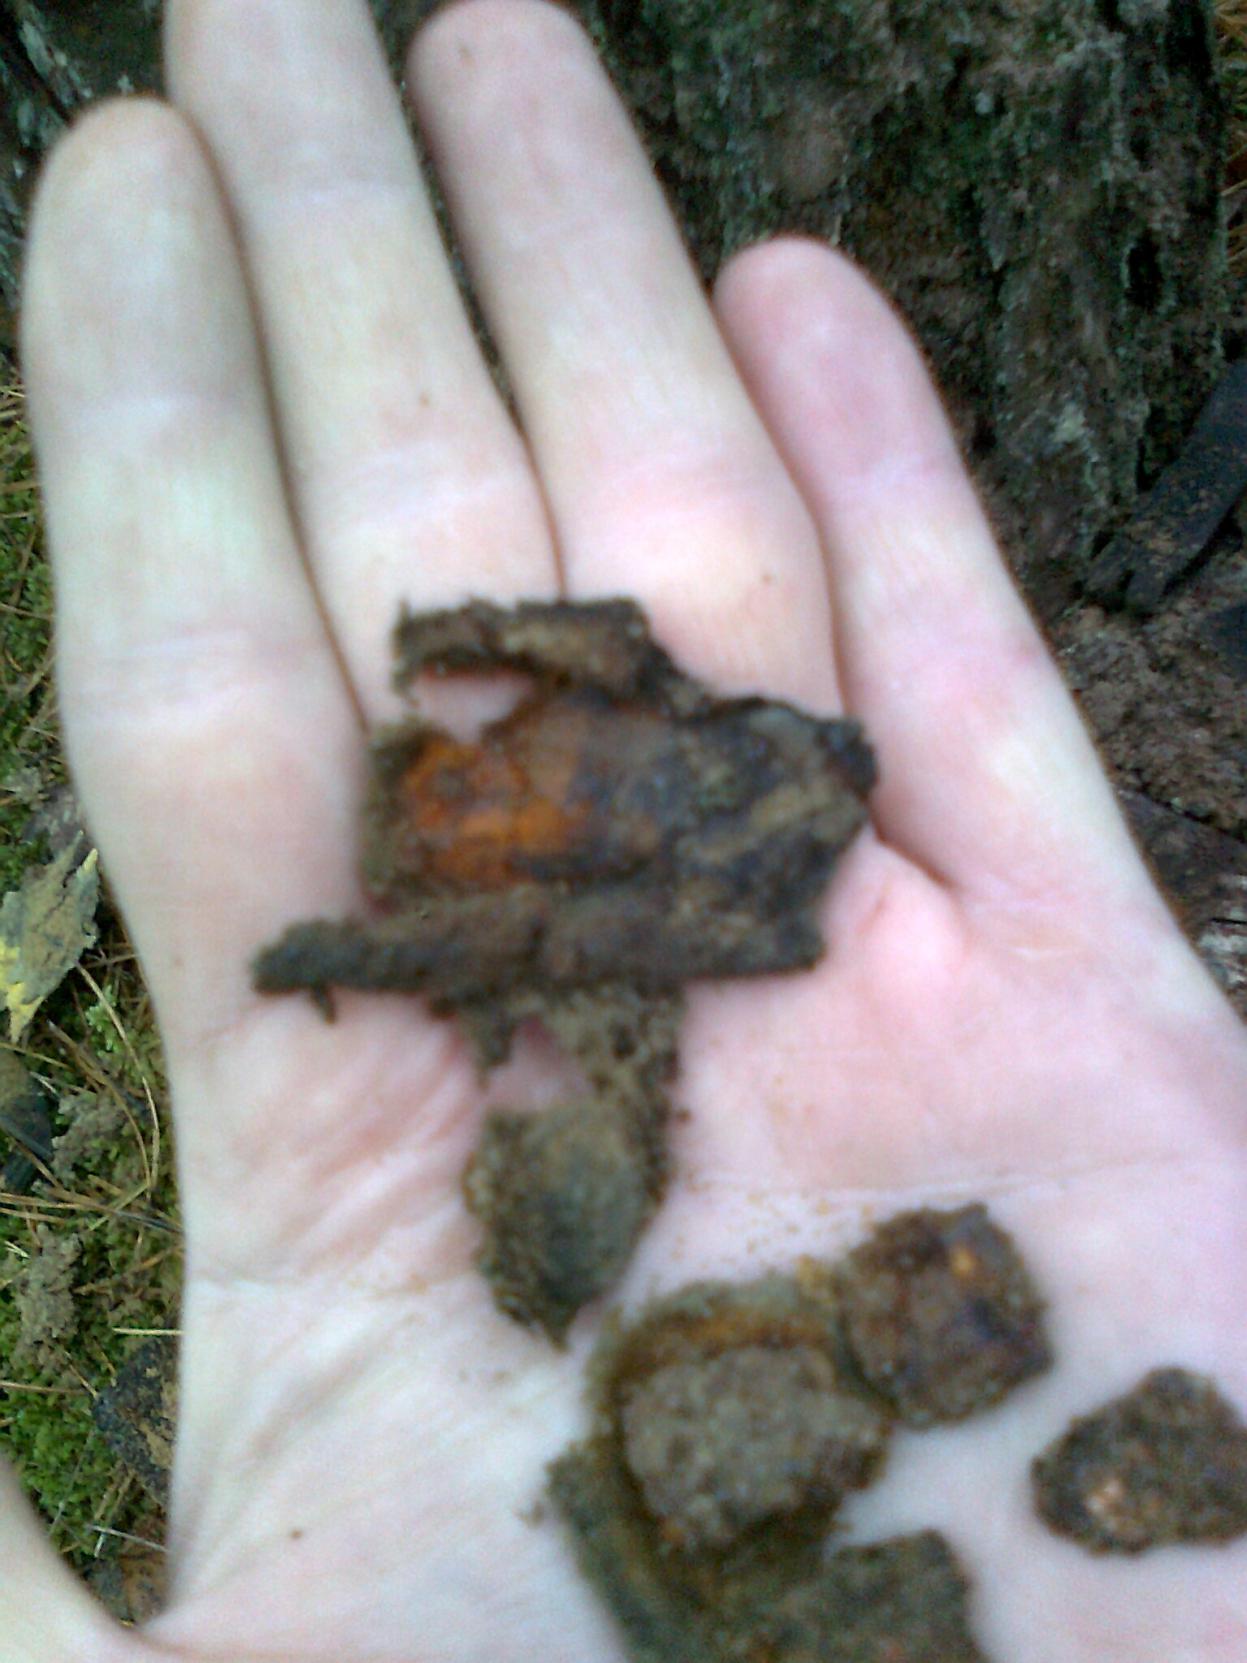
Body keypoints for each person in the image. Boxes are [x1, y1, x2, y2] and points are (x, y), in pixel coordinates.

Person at [12, 1, 1247, 1658]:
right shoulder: (595, 837)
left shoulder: (704, 876)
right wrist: (463, 687)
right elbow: (579, 885)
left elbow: (616, 921)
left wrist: (384, 925)